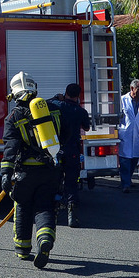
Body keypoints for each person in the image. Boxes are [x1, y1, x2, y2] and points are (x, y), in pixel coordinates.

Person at [0, 71, 61, 269]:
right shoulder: (52, 109)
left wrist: (5, 174)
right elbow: (65, 137)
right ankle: (44, 240)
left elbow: (11, 147)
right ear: (35, 89)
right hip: (50, 170)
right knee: (45, 207)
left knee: (23, 206)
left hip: (25, 173)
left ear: (14, 93)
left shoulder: (13, 116)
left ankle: (23, 248)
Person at [48, 83, 90, 228]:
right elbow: (87, 127)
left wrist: (55, 97)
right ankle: (72, 216)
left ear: (65, 93)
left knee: (55, 181)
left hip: (57, 151)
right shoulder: (81, 111)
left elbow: (42, 104)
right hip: (73, 151)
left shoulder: (56, 105)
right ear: (78, 96)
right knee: (72, 183)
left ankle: (53, 213)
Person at [118, 79, 139, 192]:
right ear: (132, 89)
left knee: (134, 159)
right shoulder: (122, 100)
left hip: (138, 134)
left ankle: (128, 179)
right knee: (125, 160)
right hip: (126, 133)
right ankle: (125, 183)